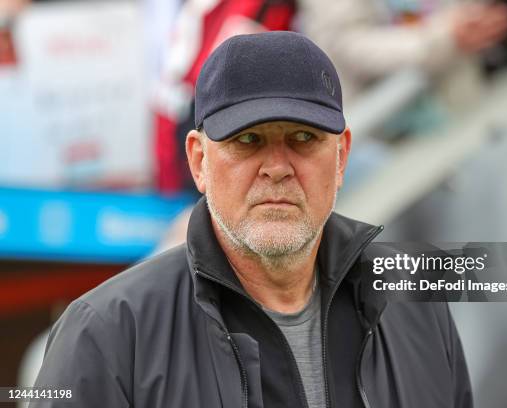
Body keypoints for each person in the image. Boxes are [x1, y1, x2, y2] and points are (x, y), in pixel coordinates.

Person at [32, 31, 472, 408]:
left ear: (341, 158)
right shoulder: (105, 334)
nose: (277, 167)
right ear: (199, 160)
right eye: (248, 139)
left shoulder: (416, 308)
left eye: (303, 137)